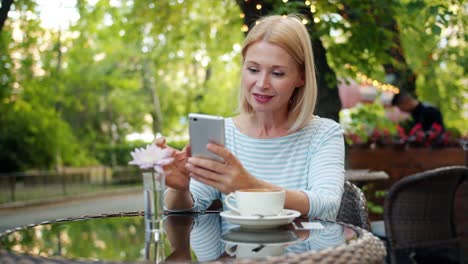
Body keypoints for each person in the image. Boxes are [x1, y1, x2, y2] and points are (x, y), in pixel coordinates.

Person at [158, 14, 345, 220]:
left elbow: (327, 204)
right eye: (253, 69)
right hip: (236, 250)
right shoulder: (223, 134)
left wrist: (249, 186)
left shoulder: (324, 134)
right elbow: (190, 210)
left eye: (278, 73)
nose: (262, 83)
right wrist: (181, 189)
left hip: (306, 251)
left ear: (301, 77)